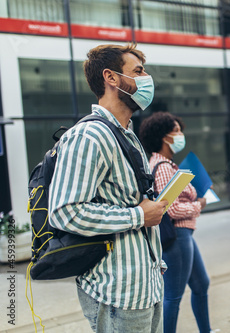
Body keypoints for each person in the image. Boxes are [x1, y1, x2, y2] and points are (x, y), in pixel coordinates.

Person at [49, 44, 168, 333]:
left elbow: (133, 202)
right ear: (111, 78)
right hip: (117, 293)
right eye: (137, 71)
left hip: (146, 286)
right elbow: (65, 212)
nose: (145, 78)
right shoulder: (90, 135)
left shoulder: (126, 134)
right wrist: (138, 217)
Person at [139, 112, 214, 333]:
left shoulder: (167, 165)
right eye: (176, 131)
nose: (181, 134)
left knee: (201, 284)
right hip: (178, 237)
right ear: (164, 137)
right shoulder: (162, 167)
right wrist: (199, 204)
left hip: (184, 236)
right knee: (173, 295)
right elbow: (169, 208)